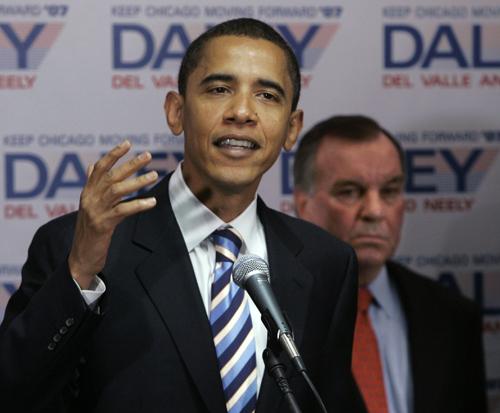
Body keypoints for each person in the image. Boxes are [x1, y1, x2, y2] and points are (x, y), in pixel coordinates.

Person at [0, 19, 361, 413]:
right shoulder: (80, 246)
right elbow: (13, 395)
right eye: (220, 89)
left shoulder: (326, 263)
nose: (242, 112)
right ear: (176, 112)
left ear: (292, 128)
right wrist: (80, 274)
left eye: (267, 95)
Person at [293, 115, 487, 413]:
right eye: (349, 192)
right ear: (303, 205)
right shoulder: (265, 313)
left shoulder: (452, 316)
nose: (375, 211)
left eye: (390, 191)